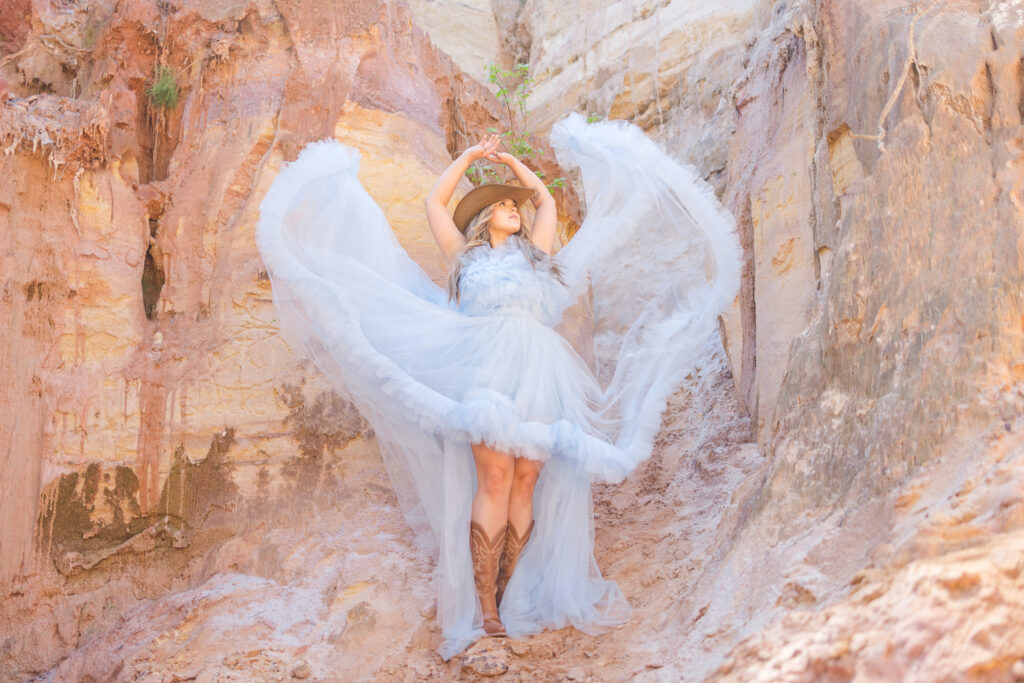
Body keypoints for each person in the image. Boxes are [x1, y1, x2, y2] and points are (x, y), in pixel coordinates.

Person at [256, 113, 741, 659]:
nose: (515, 207)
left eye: (516, 203)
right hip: (487, 367)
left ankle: (509, 590)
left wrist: (513, 167)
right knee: (494, 475)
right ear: (486, 217)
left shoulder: (535, 257)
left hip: (540, 367)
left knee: (526, 480)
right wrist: (469, 161)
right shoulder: (466, 258)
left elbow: (547, 203)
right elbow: (434, 205)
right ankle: (485, 605)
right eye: (504, 203)